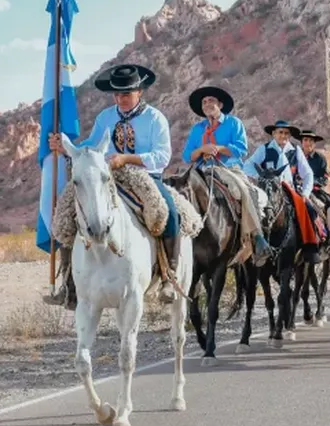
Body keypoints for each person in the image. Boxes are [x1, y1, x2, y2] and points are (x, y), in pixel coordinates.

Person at [45, 63, 179, 309]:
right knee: (66, 214)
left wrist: (127, 159)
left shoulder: (155, 118)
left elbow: (162, 156)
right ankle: (69, 283)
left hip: (144, 176)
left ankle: (170, 274)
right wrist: (64, 147)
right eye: (117, 94)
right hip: (106, 175)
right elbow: (91, 146)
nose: (121, 99)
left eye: (126, 94)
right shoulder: (106, 117)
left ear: (139, 92)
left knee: (168, 210)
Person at [181, 84, 271, 266]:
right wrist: (201, 149)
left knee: (243, 191)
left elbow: (241, 149)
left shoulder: (233, 123)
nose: (207, 104)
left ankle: (257, 236)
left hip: (228, 169)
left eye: (211, 101)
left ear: (220, 105)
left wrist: (219, 148)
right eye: (204, 102)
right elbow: (186, 155)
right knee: (180, 190)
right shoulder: (197, 129)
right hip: (202, 170)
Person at [243, 119, 322, 262]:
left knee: (309, 210)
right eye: (280, 132)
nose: (283, 136)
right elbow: (247, 166)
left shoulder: (295, 150)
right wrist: (261, 177)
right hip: (268, 190)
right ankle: (251, 247)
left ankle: (310, 247)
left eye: (286, 133)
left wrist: (305, 193)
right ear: (273, 134)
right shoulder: (264, 149)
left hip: (289, 189)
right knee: (251, 210)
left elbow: (308, 173)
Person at [295, 129, 330, 211]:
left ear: (315, 143)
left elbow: (325, 178)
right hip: (295, 189)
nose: (308, 143)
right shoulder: (294, 156)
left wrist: (312, 182)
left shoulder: (320, 158)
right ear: (301, 142)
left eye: (311, 140)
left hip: (314, 191)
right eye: (305, 140)